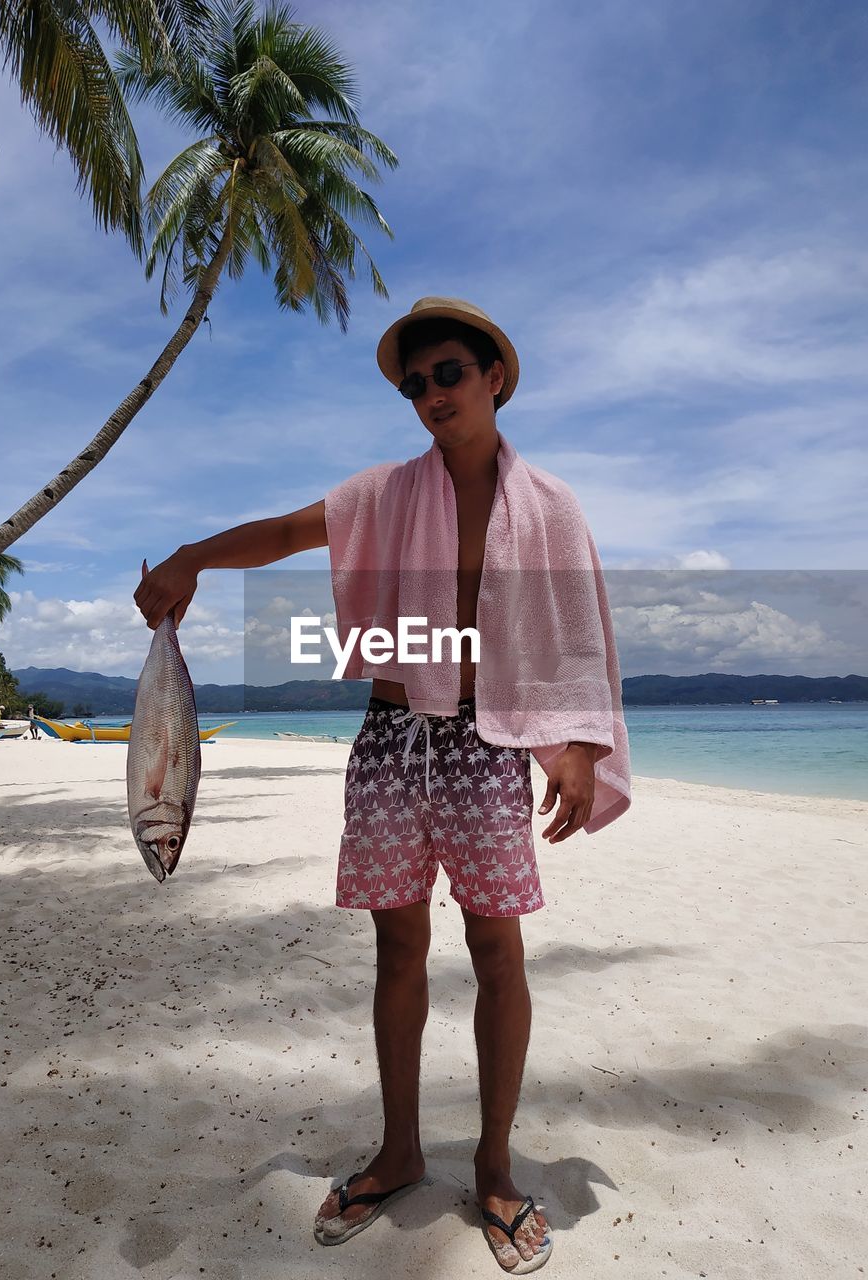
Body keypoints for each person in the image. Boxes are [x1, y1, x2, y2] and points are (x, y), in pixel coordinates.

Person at [135, 297, 630, 1274]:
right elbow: (283, 531)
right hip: (390, 733)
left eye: (447, 372)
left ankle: (493, 1162)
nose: (430, 393)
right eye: (415, 383)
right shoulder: (384, 493)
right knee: (398, 943)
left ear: (494, 376)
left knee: (496, 945)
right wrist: (193, 556)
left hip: (488, 741)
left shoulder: (551, 507)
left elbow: (577, 629)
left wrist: (578, 742)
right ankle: (402, 1147)